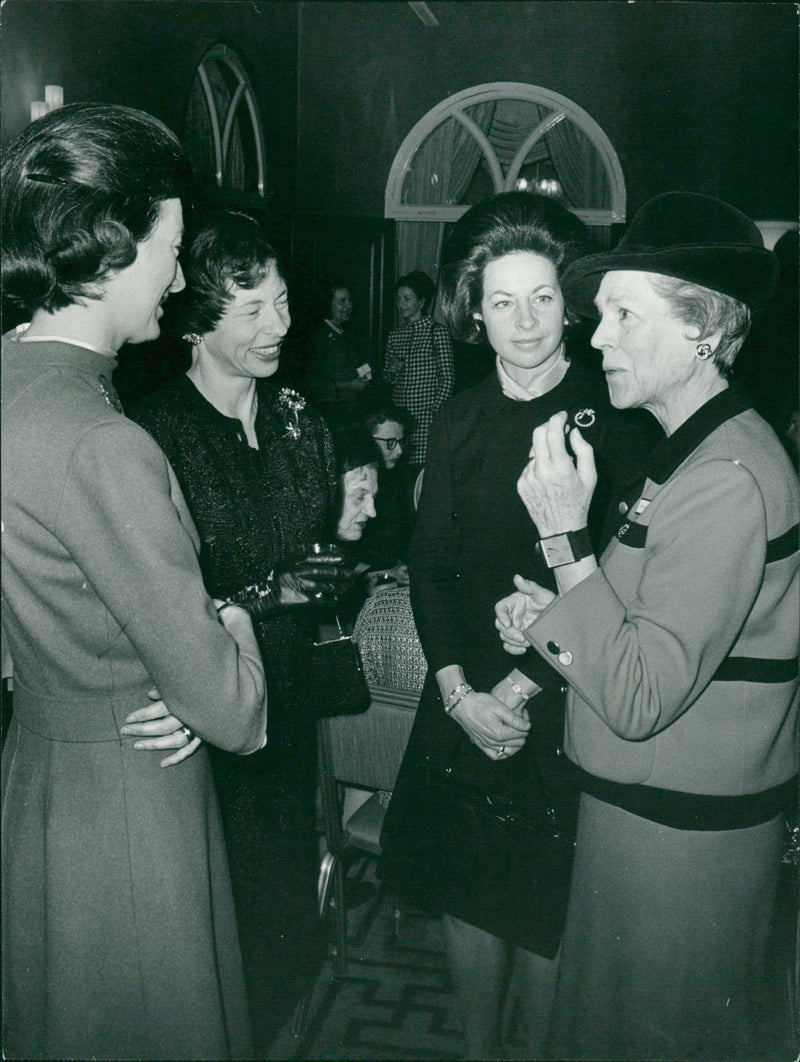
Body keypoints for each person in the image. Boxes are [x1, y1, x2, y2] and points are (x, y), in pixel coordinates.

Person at [495, 191, 799, 1060]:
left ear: (704, 329)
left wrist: (562, 536)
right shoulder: (693, 448)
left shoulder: (726, 476)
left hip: (681, 846)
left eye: (624, 313)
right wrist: (555, 606)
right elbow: (639, 617)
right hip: (652, 821)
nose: (596, 337)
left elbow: (637, 695)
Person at [1, 104, 267, 1061]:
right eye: (175, 245)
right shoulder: (106, 442)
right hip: (128, 803)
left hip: (36, 779)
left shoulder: (11, 379)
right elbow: (230, 708)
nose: (183, 274)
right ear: (110, 248)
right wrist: (231, 619)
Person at [379, 192, 659, 1059]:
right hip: (465, 694)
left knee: (546, 909)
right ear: (475, 311)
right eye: (502, 301)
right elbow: (431, 564)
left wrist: (520, 686)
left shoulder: (616, 414)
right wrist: (459, 690)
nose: (526, 321)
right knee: (468, 895)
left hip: (564, 696)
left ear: (569, 303)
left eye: (542, 297)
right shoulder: (459, 417)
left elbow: (622, 576)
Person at [132, 210, 350, 1055]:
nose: (280, 326)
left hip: (289, 696)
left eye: (285, 303)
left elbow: (319, 544)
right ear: (196, 317)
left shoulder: (302, 418)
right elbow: (160, 590)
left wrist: (326, 576)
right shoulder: (154, 433)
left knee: (282, 900)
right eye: (252, 309)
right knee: (214, 916)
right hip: (203, 708)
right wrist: (270, 590)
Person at [383, 270, 454, 469]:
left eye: (407, 298)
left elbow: (447, 378)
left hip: (426, 417)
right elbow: (388, 380)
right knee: (400, 467)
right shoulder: (395, 336)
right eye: (398, 299)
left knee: (423, 469)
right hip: (400, 417)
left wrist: (434, 412)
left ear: (421, 302)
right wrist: (392, 371)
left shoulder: (436, 332)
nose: (401, 304)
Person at [354, 397, 415, 584]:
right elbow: (343, 559)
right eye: (390, 442)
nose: (398, 451)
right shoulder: (349, 487)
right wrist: (386, 573)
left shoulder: (396, 479)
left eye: (400, 442)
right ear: (365, 440)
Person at [305, 280, 371, 414]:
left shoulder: (350, 334)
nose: (349, 306)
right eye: (342, 302)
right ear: (328, 304)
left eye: (349, 300)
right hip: (329, 410)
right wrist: (349, 385)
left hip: (352, 408)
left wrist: (366, 375)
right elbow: (311, 384)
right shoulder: (317, 337)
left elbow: (359, 365)